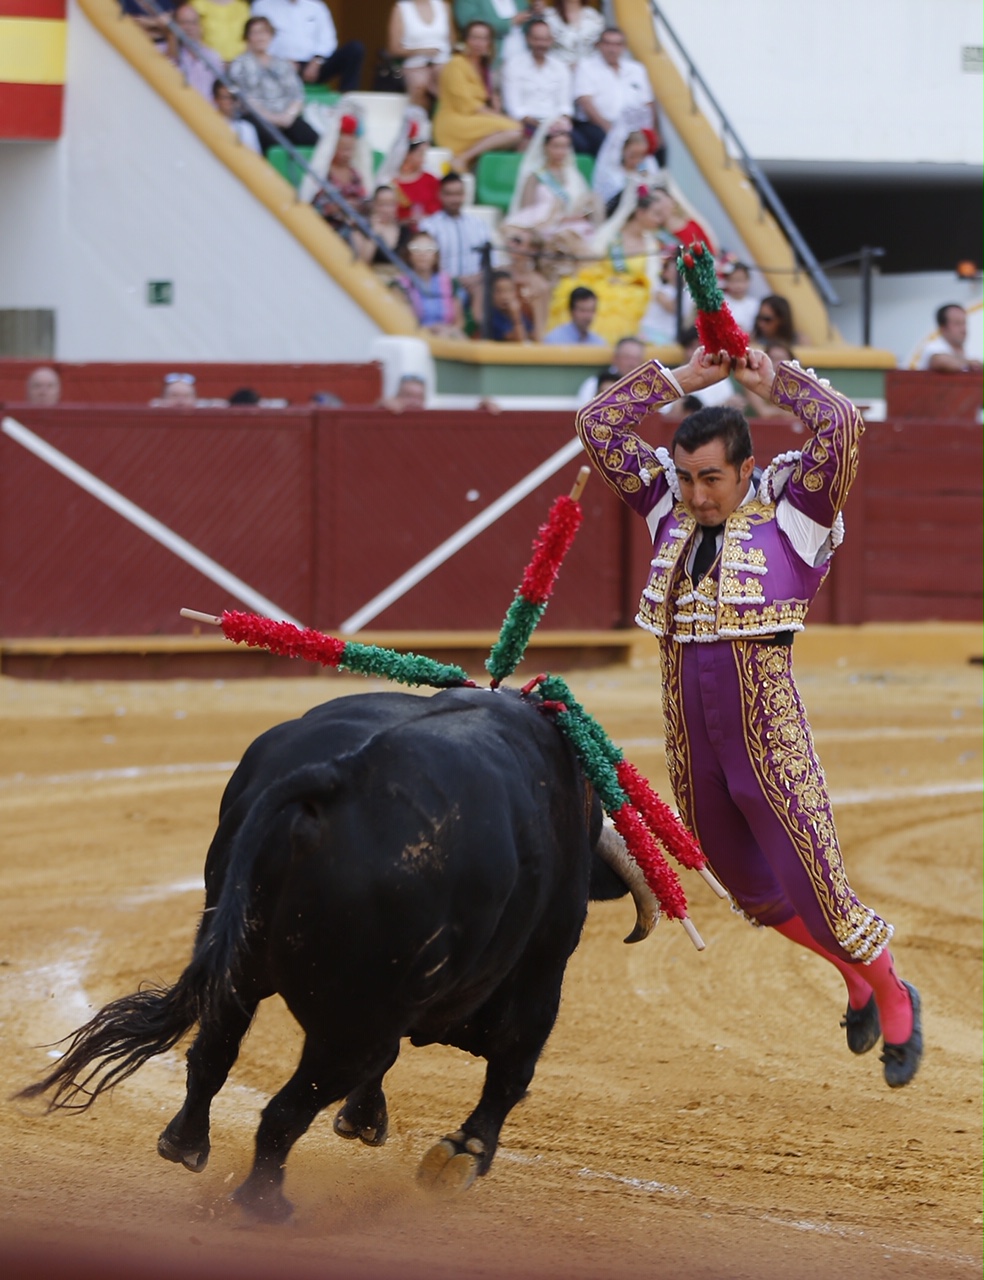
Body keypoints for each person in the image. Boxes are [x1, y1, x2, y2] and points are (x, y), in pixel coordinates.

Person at [575, 344, 923, 1090]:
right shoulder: (664, 507)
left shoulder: (796, 512)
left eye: (711, 479)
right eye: (686, 478)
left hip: (769, 740)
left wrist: (777, 382)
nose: (697, 495)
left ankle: (893, 993)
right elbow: (597, 426)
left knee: (822, 896)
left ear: (744, 470)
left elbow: (841, 425)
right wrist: (679, 380)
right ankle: (854, 979)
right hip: (692, 743)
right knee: (751, 893)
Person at [547, 189, 662, 345]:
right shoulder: (612, 234)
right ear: (640, 213)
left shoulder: (651, 244)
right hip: (600, 283)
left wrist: (627, 282)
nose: (659, 221)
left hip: (630, 295)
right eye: (656, 214)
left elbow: (651, 281)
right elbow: (593, 256)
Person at [504, 119, 598, 264]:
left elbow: (583, 206)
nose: (561, 152)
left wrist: (581, 213)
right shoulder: (536, 176)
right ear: (545, 147)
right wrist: (552, 217)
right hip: (542, 227)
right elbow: (526, 210)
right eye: (556, 146)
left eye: (565, 147)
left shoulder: (574, 176)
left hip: (571, 227)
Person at [432, 21, 524, 170]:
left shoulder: (484, 68)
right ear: (466, 40)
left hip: (475, 119)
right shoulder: (456, 64)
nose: (478, 43)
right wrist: (498, 117)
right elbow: (467, 105)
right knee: (515, 130)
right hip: (455, 121)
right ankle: (463, 158)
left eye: (483, 39)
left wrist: (495, 105)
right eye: (474, 38)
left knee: (520, 134)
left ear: (489, 42)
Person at [228, 16, 320, 154]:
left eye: (264, 32)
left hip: (286, 118)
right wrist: (272, 118)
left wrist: (288, 116)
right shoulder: (239, 64)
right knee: (273, 145)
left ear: (271, 35)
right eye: (255, 32)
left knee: (314, 139)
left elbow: (297, 95)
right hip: (257, 118)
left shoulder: (282, 63)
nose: (260, 37)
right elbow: (243, 99)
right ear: (247, 37)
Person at [572, 27, 657, 158]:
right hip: (598, 124)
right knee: (604, 141)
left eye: (617, 44)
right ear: (599, 45)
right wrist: (608, 128)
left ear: (624, 47)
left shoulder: (636, 69)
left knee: (655, 146)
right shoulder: (586, 66)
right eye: (608, 44)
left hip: (632, 127)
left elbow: (648, 103)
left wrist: (650, 131)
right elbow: (585, 102)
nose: (612, 49)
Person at [251, 0, 363, 92]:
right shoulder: (262, 6)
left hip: (314, 66)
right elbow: (256, 39)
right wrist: (280, 63)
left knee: (355, 49)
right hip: (277, 66)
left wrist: (317, 61)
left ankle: (348, 97)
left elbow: (328, 39)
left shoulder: (317, 7)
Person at [419, 172, 490, 310]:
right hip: (443, 290)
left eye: (458, 194)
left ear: (464, 195)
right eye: (449, 194)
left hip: (477, 287)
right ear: (440, 195)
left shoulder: (478, 225)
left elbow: (492, 262)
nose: (454, 199)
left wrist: (476, 278)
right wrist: (454, 281)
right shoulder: (429, 226)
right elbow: (425, 265)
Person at [501, 18, 574, 139]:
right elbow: (514, 107)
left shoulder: (560, 67)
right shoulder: (514, 65)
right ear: (528, 39)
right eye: (536, 39)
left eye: (545, 39)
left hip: (556, 123)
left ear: (551, 40)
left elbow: (565, 106)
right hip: (526, 123)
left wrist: (561, 122)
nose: (541, 44)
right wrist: (540, 126)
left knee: (579, 142)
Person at [392, 232, 467, 338]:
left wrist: (447, 331)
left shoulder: (450, 282)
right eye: (416, 249)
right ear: (409, 254)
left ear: (436, 255)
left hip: (448, 335)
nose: (422, 254)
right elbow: (404, 323)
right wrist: (431, 329)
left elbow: (459, 322)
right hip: (416, 337)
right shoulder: (399, 284)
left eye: (429, 249)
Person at [592, 113, 662, 215]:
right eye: (632, 155)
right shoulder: (612, 174)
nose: (636, 161)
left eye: (641, 156)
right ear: (623, 150)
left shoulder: (643, 171)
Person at [387, 0, 451, 109]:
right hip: (414, 64)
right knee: (419, 84)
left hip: (442, 62)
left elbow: (452, 42)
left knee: (449, 80)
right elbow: (394, 49)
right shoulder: (401, 8)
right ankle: (418, 117)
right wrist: (422, 51)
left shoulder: (444, 6)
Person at [500, 224, 551, 342]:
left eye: (518, 241)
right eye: (511, 240)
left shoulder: (540, 284)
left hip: (525, 343)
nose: (512, 245)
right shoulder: (499, 273)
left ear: (533, 250)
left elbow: (540, 326)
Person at [169, 4, 223, 101]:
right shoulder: (162, 51)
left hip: (206, 109)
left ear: (200, 27)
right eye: (184, 22)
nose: (189, 27)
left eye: (193, 23)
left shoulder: (213, 57)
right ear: (175, 25)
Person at [576, 334, 645, 403]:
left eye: (637, 359)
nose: (632, 364)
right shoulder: (594, 384)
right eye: (627, 357)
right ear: (615, 359)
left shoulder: (646, 386)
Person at [915, 304, 983, 372]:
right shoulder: (932, 348)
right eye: (957, 323)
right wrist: (970, 364)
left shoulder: (970, 353)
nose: (963, 329)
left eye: (964, 323)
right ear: (943, 328)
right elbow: (940, 361)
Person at [359, 185, 412, 269]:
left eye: (391, 204)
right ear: (374, 205)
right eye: (381, 204)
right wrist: (374, 232)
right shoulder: (363, 229)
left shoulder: (405, 231)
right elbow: (362, 263)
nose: (386, 209)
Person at [542, 0, 605, 69]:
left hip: (589, 71)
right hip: (555, 70)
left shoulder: (594, 17)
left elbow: (600, 49)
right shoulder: (549, 16)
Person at [212, 80, 262, 152]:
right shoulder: (209, 125)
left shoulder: (247, 128)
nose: (231, 101)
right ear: (216, 100)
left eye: (234, 97)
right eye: (225, 97)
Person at [487, 270, 534, 341]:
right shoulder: (492, 316)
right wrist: (516, 318)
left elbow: (533, 335)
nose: (504, 297)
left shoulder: (519, 312)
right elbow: (519, 340)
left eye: (509, 290)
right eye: (498, 291)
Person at [721, 260, 760, 336]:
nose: (738, 286)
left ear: (748, 280)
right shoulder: (721, 302)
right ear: (726, 281)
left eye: (741, 280)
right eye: (733, 281)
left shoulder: (755, 304)